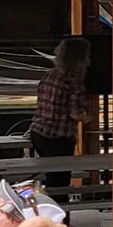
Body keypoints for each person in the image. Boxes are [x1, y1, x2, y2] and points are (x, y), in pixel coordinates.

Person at [26, 35, 90, 188]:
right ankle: (57, 209)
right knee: (60, 181)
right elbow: (75, 114)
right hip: (58, 137)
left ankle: (50, 207)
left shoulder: (49, 74)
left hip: (38, 133)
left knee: (51, 176)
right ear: (80, 59)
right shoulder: (74, 81)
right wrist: (87, 116)